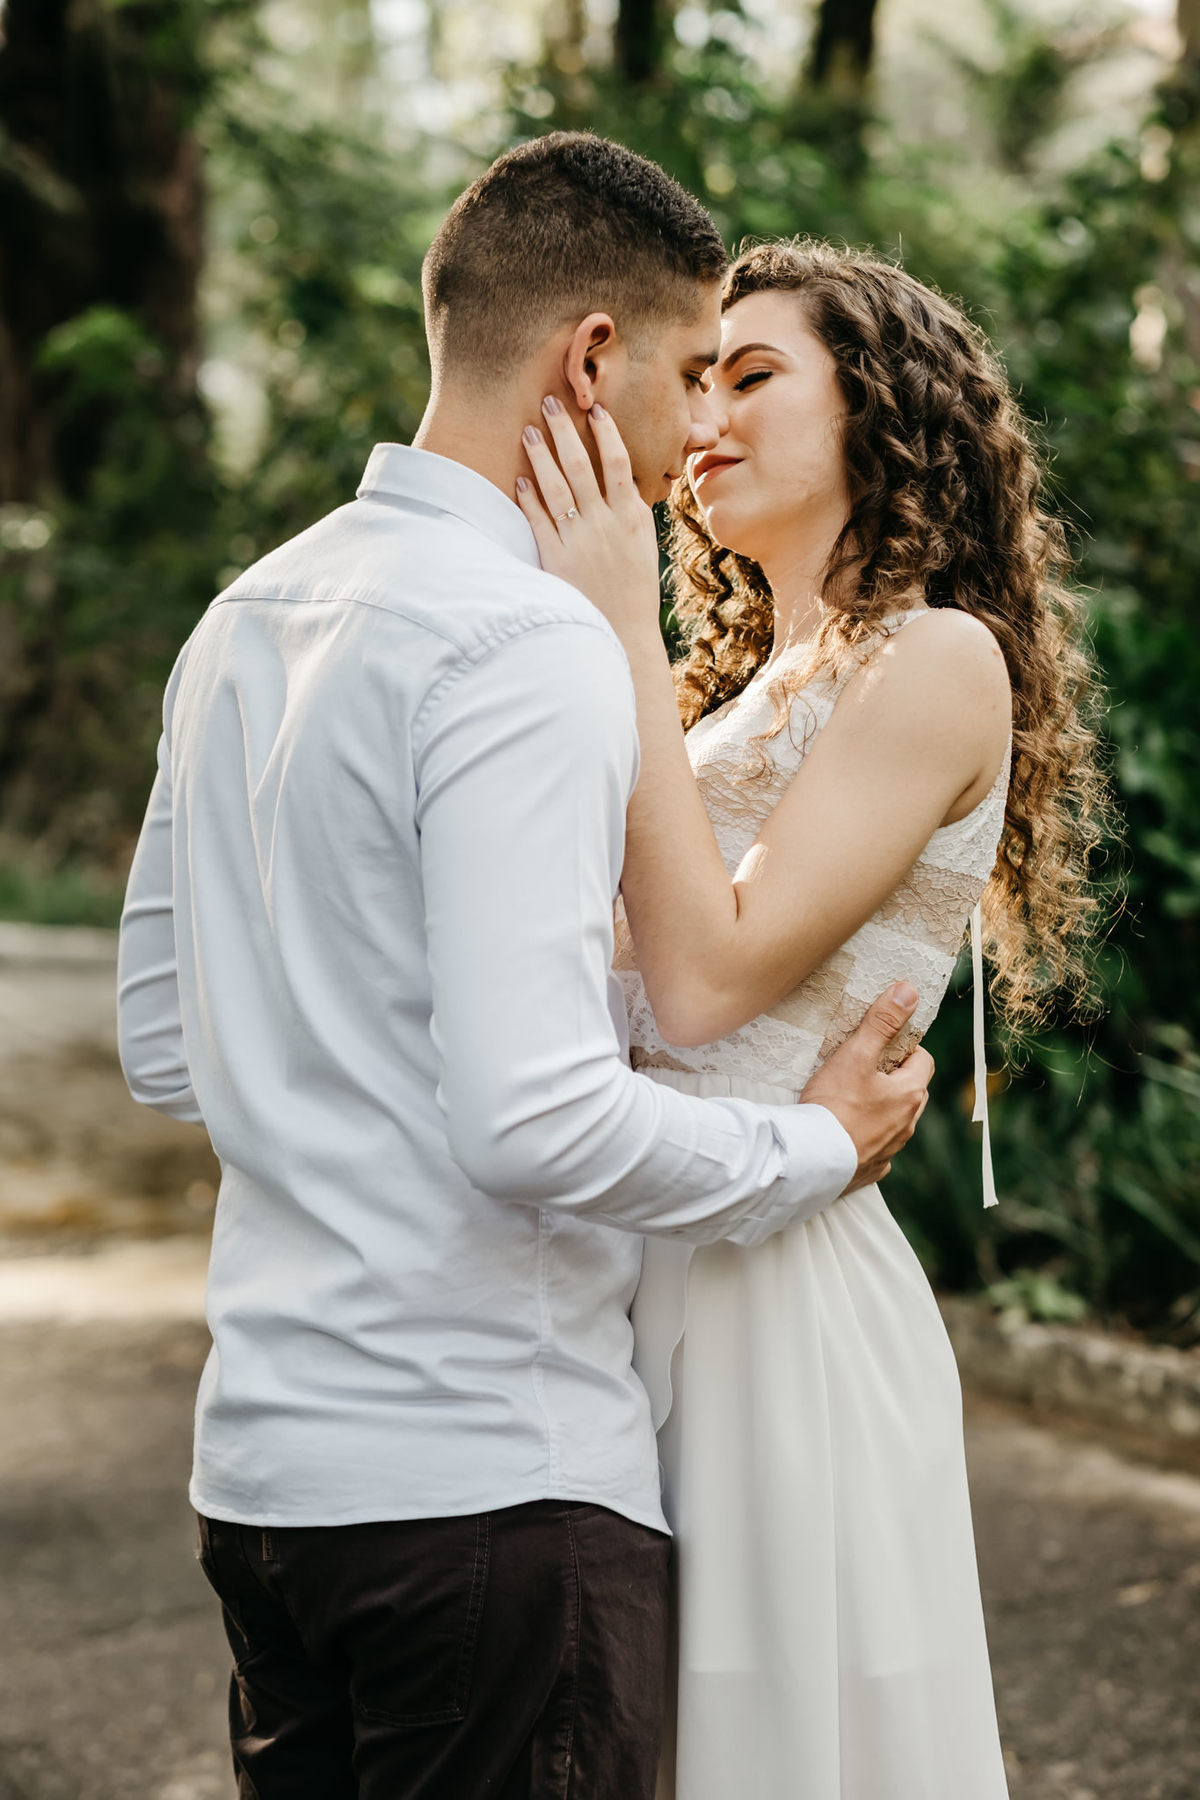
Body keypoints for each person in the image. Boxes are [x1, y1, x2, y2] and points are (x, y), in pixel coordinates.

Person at [116, 144, 933, 1800]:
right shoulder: (532, 638)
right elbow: (531, 1120)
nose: (697, 427)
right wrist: (810, 1146)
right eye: (692, 371)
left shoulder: (243, 618)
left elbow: (163, 1041)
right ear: (589, 358)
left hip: (268, 1484)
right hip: (484, 1486)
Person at [516, 237, 1109, 1799]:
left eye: (753, 375)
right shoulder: (734, 695)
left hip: (773, 1301)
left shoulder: (939, 658)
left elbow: (707, 981)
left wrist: (613, 624)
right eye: (696, 378)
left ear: (880, 408)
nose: (702, 415)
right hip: (643, 1254)